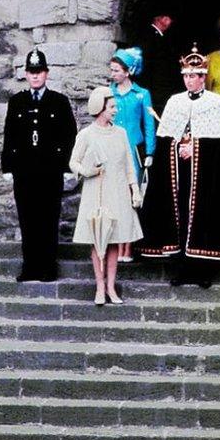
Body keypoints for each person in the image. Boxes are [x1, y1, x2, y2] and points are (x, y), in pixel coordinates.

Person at [138, 45, 220, 288]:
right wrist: (178, 148)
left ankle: (203, 269)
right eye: (186, 76)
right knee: (179, 218)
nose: (189, 81)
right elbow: (165, 138)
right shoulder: (174, 102)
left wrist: (196, 148)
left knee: (204, 217)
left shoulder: (215, 102)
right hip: (179, 172)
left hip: (206, 175)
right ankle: (180, 268)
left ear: (203, 78)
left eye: (194, 76)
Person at [1, 48, 78, 282]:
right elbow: (10, 135)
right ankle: (30, 266)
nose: (35, 76)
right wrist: (7, 167)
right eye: (31, 72)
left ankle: (47, 267)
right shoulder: (17, 102)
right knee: (27, 218)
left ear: (46, 73)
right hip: (24, 172)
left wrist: (67, 167)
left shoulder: (59, 102)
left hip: (50, 171)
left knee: (48, 218)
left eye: (39, 72)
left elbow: (69, 137)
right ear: (26, 74)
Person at [69, 87, 144, 305]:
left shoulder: (120, 133)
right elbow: (73, 161)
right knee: (98, 238)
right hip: (96, 191)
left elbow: (129, 164)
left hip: (118, 190)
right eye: (111, 107)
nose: (115, 110)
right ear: (100, 108)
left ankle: (111, 287)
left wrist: (135, 190)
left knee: (113, 240)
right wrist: (87, 171)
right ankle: (99, 287)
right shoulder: (86, 134)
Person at [109, 47, 155, 263]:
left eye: (117, 70)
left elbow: (149, 125)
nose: (113, 74)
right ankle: (117, 246)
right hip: (113, 150)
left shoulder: (141, 94)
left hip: (134, 151)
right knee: (115, 198)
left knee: (131, 198)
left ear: (128, 72)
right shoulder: (109, 93)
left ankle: (129, 247)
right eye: (112, 70)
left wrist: (150, 151)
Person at [136, 7, 178, 115]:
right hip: (152, 85)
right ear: (161, 19)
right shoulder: (150, 35)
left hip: (157, 86)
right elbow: (148, 62)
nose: (170, 22)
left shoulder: (158, 36)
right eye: (168, 19)